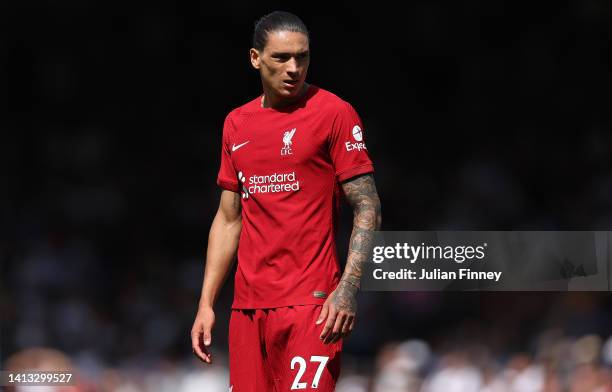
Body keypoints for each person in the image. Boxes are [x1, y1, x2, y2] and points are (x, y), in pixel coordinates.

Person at [191, 10, 381, 391]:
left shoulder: (334, 113)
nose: (294, 67)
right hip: (247, 308)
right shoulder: (236, 124)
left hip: (312, 304)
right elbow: (229, 218)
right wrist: (206, 302)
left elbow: (367, 206)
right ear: (255, 58)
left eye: (303, 56)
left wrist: (347, 289)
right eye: (281, 57)